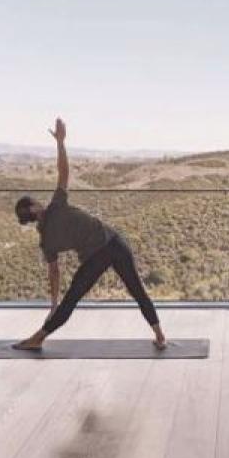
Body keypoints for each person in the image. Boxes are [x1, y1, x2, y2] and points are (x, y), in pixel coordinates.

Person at [12, 118, 166, 350]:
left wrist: (54, 304)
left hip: (104, 248)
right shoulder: (56, 207)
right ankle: (160, 336)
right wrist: (61, 143)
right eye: (35, 202)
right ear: (33, 208)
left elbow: (54, 273)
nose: (39, 202)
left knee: (73, 298)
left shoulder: (46, 241)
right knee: (136, 290)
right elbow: (64, 172)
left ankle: (38, 338)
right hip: (111, 244)